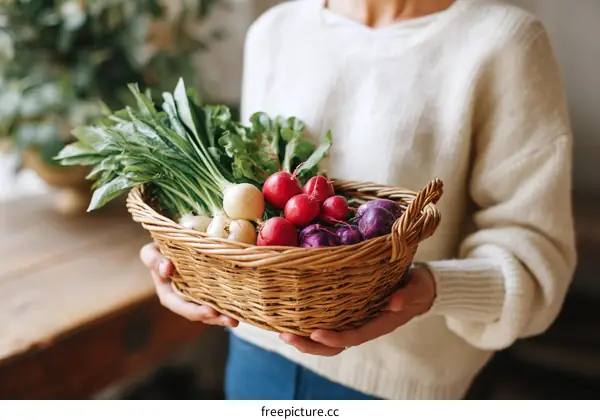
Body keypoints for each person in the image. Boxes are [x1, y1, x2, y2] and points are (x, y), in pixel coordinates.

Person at [140, 0, 577, 400]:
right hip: (253, 356)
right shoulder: (275, 31)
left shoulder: (504, 42)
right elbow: (251, 214)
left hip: (396, 386)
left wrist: (424, 290)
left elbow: (535, 267)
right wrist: (191, 266)